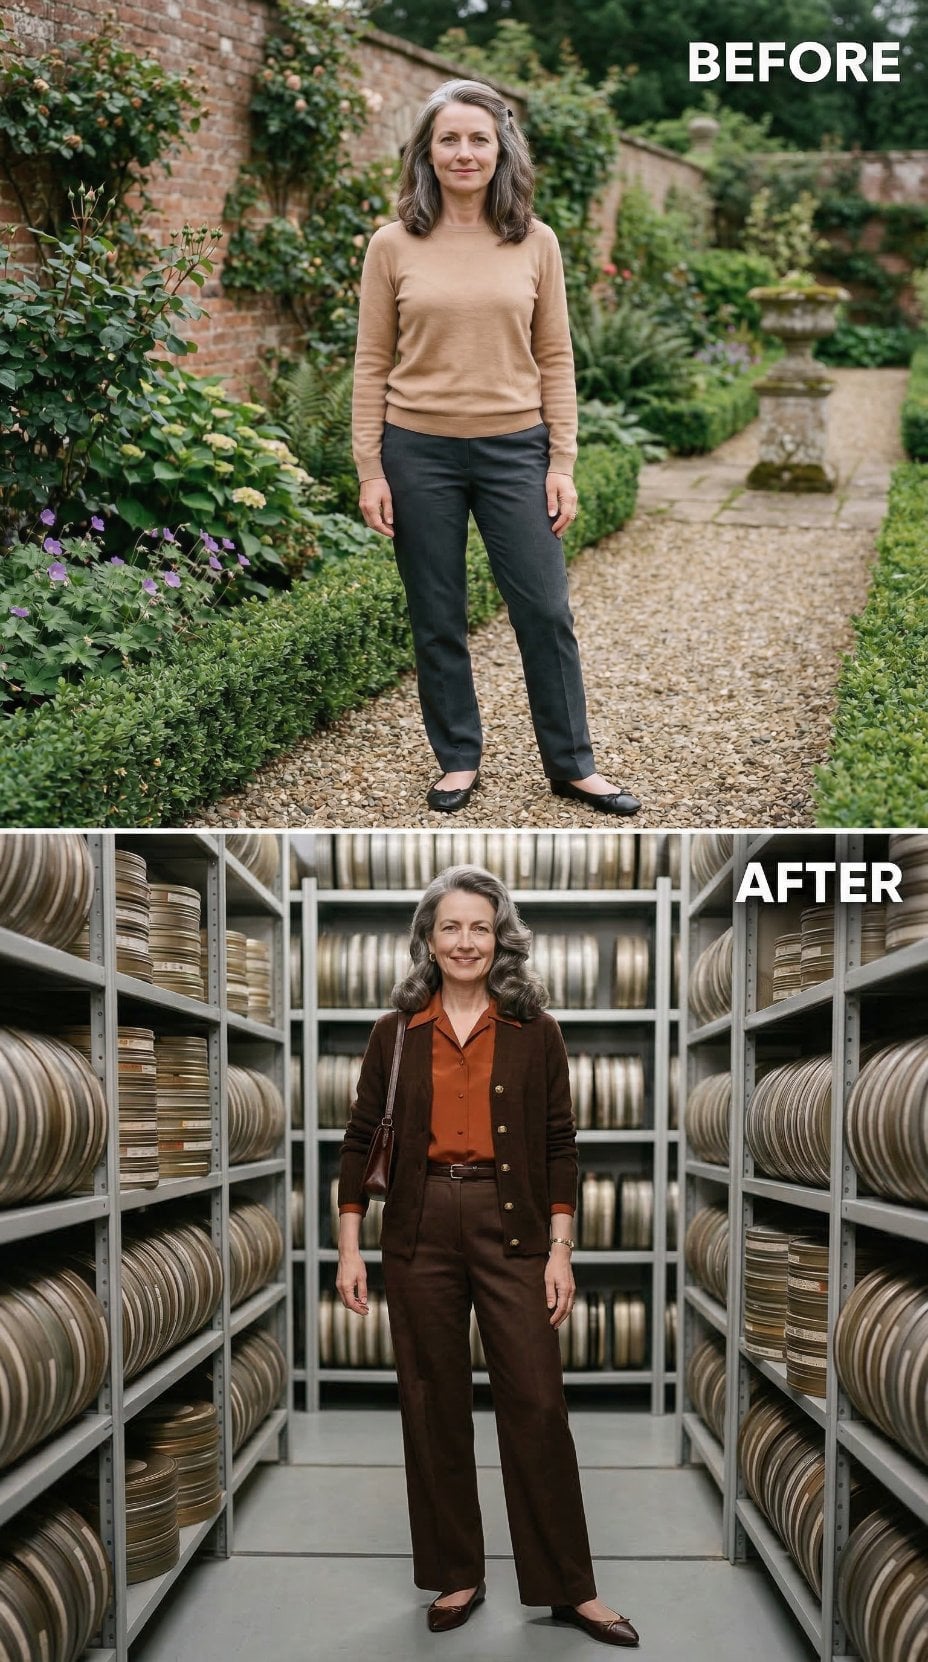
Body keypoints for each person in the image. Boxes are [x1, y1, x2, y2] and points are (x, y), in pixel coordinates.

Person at [336, 865, 641, 1647]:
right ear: (428, 940)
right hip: (418, 1227)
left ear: (501, 938)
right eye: (451, 927)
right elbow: (361, 1139)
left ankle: (570, 1589)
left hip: (515, 1228)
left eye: (480, 927)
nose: (466, 941)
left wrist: (561, 1250)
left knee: (537, 1404)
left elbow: (561, 1144)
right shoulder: (395, 1031)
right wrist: (350, 1247)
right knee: (432, 1402)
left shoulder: (536, 1029)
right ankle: (457, 1574)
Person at [351, 78, 641, 819]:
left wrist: (562, 462)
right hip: (419, 453)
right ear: (426, 152)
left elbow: (556, 356)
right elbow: (372, 361)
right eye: (448, 139)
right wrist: (370, 468)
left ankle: (572, 764)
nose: (464, 152)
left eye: (478, 138)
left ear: (500, 149)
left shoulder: (535, 241)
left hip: (516, 450)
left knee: (544, 610)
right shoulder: (392, 244)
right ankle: (457, 757)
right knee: (436, 614)